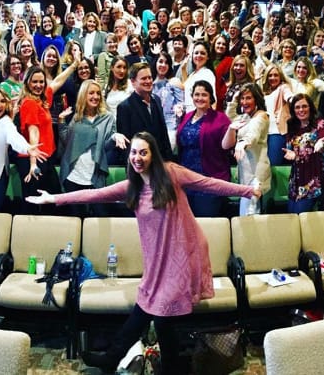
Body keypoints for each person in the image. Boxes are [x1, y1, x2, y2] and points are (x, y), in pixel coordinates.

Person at [26, 131, 261, 374]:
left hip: (183, 252)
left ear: (153, 155)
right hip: (157, 257)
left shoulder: (171, 173)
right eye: (134, 153)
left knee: (159, 313)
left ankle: (124, 358)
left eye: (143, 152)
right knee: (150, 309)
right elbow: (94, 194)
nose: (137, 158)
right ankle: (127, 359)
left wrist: (246, 191)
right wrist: (53, 198)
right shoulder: (133, 186)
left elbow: (207, 183)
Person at [57, 80, 129, 217]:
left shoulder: (107, 118)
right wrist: (61, 122)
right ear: (84, 95)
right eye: (91, 93)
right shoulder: (76, 116)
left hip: (95, 176)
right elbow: (67, 142)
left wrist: (115, 136)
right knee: (76, 220)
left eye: (98, 94)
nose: (95, 97)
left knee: (100, 217)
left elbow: (106, 146)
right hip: (73, 175)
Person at [177, 80, 232, 217]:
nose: (200, 98)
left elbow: (228, 146)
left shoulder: (221, 118)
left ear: (210, 97)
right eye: (197, 94)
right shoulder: (187, 116)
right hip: (186, 181)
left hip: (209, 180)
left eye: (204, 95)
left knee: (208, 224)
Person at [16, 66, 61, 214]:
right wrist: (33, 165)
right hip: (32, 159)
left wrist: (74, 65)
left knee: (51, 199)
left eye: (41, 82)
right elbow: (33, 133)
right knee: (33, 204)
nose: (38, 85)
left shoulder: (42, 99)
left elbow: (56, 83)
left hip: (44, 157)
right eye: (34, 82)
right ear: (27, 82)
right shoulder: (29, 103)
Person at [222, 83, 271, 215]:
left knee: (250, 216)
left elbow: (253, 135)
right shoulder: (246, 117)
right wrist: (235, 99)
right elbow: (229, 117)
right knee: (245, 215)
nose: (244, 102)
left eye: (248, 98)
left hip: (256, 176)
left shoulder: (261, 116)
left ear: (256, 99)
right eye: (242, 99)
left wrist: (243, 142)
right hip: (246, 174)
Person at [116, 63, 174, 163]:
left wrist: (169, 162)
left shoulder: (157, 100)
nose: (148, 81)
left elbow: (163, 135)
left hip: (160, 164)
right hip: (139, 166)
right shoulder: (124, 107)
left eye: (150, 77)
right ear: (133, 82)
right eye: (143, 78)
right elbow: (126, 146)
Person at [283, 93, 324, 214]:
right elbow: (290, 147)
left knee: (303, 214)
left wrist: (321, 145)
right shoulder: (291, 125)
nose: (301, 110)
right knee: (292, 215)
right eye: (297, 107)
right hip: (297, 177)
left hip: (314, 176)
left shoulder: (319, 123)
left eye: (304, 106)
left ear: (310, 107)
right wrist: (291, 154)